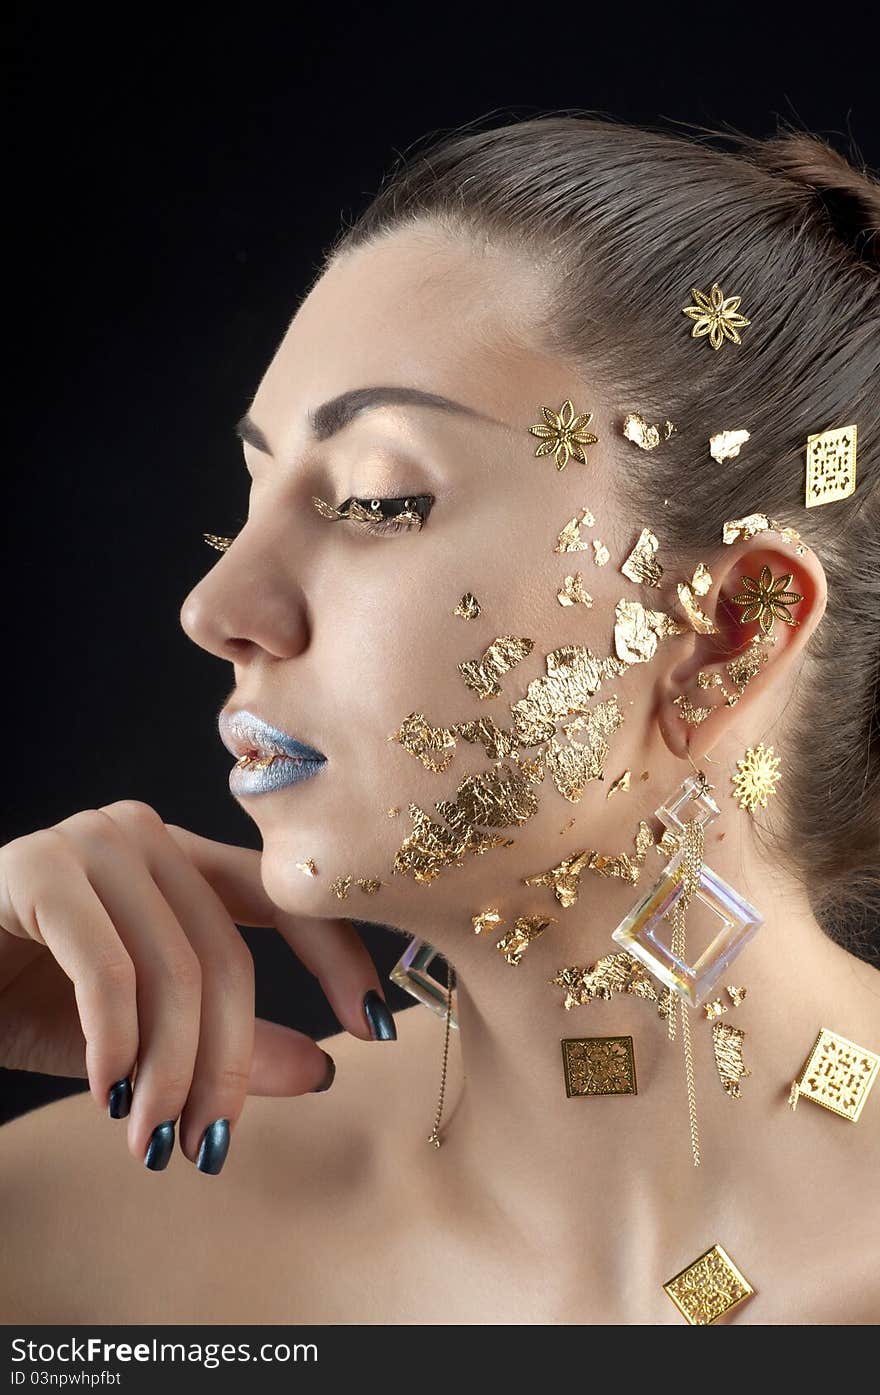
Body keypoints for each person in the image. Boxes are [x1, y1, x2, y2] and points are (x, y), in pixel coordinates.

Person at [1, 115, 878, 1326]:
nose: (218, 607)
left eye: (376, 500)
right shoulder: (71, 1242)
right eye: (247, 500)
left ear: (732, 628)